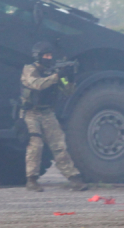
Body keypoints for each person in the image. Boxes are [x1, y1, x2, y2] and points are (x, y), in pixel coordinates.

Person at [20, 41, 88, 192]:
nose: (49, 58)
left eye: (50, 55)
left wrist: (68, 78)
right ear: (38, 56)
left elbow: (68, 91)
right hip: (31, 113)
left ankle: (74, 178)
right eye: (46, 55)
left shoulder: (53, 72)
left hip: (47, 113)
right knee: (35, 145)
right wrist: (56, 76)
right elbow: (37, 84)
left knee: (59, 145)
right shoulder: (29, 70)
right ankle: (31, 179)